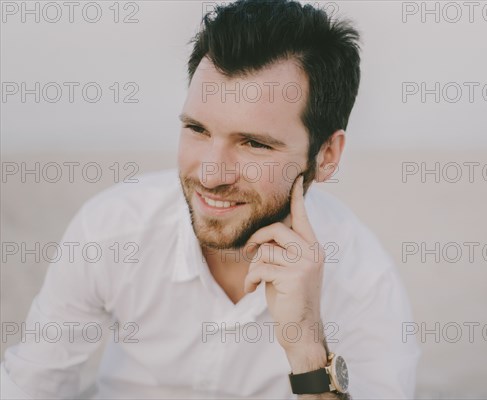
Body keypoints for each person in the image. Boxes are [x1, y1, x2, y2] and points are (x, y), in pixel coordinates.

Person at [1, 0, 420, 398]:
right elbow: (33, 383)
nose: (210, 173)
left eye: (254, 143)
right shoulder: (112, 229)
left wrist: (307, 345)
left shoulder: (364, 278)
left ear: (326, 156)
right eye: (198, 129)